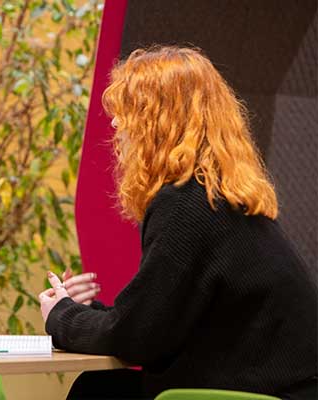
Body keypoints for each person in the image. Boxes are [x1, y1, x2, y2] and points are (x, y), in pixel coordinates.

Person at [39, 46, 317, 400]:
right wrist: (86, 312)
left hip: (251, 393)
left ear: (159, 121)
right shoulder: (219, 197)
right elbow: (158, 322)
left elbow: (137, 338)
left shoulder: (186, 202)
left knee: (95, 392)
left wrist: (60, 315)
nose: (115, 123)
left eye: (129, 111)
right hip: (281, 389)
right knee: (100, 387)